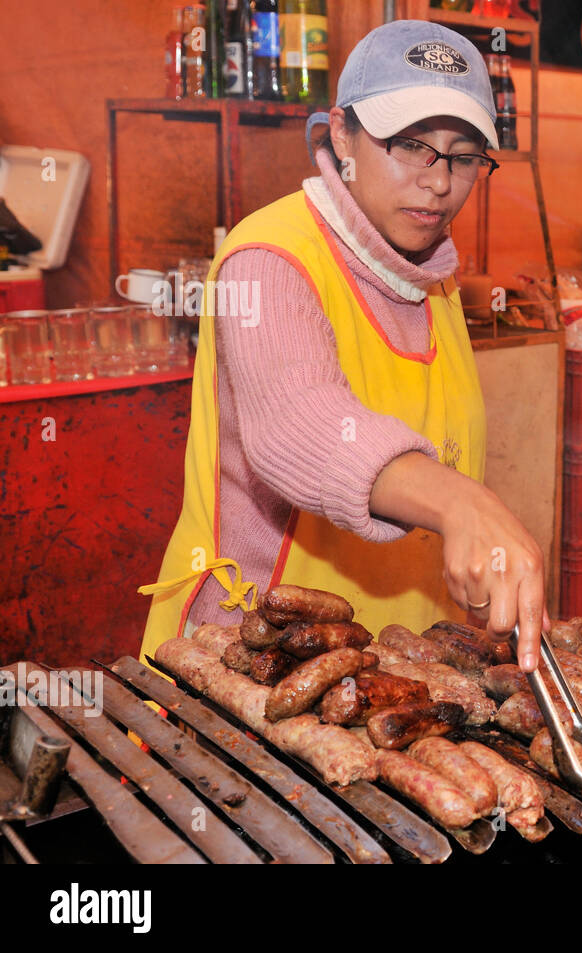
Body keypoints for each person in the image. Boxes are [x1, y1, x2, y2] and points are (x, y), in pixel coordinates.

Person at [139, 21, 548, 672]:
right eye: (410, 145)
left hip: (392, 671)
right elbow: (300, 422)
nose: (438, 182)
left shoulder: (430, 278)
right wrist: (460, 503)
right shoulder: (268, 259)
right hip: (255, 662)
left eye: (464, 154)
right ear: (340, 135)